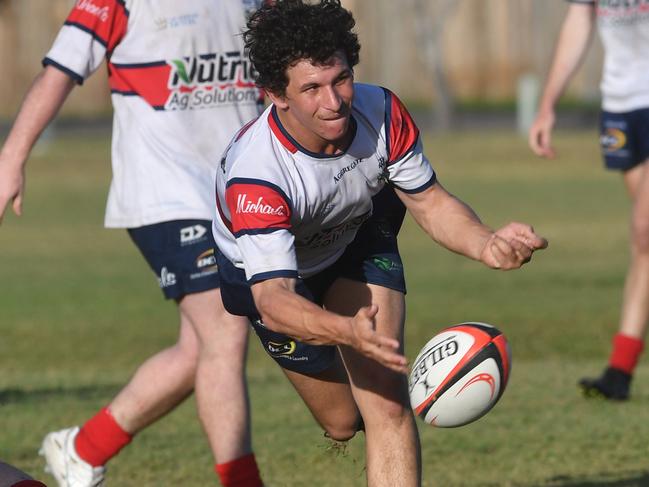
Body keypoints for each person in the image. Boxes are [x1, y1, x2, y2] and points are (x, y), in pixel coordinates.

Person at [211, 1, 548, 485]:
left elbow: (430, 203)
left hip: (356, 235)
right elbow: (275, 298)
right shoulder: (257, 176)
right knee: (343, 421)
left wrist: (486, 242)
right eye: (311, 88)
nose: (334, 101)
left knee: (386, 403)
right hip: (271, 280)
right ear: (275, 95)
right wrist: (344, 331)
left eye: (341, 78)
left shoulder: (382, 110)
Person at [0, 1, 266, 486]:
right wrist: (11, 158)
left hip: (238, 194)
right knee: (225, 334)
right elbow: (59, 71)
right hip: (165, 193)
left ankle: (82, 449)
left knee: (199, 351)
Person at [529, 0, 649, 401]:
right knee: (645, 244)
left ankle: (621, 367)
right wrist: (548, 104)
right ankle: (621, 370)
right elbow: (580, 19)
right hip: (622, 104)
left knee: (644, 229)